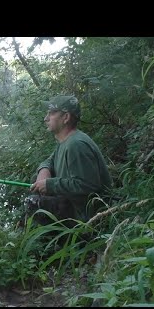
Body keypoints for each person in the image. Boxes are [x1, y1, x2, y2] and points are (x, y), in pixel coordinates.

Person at [27, 95, 112, 226]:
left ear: (66, 117)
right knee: (35, 181)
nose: (46, 118)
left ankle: (73, 242)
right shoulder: (66, 141)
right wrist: (44, 172)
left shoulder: (76, 144)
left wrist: (49, 185)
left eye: (52, 113)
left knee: (33, 202)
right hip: (74, 206)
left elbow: (88, 185)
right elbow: (49, 161)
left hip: (88, 217)